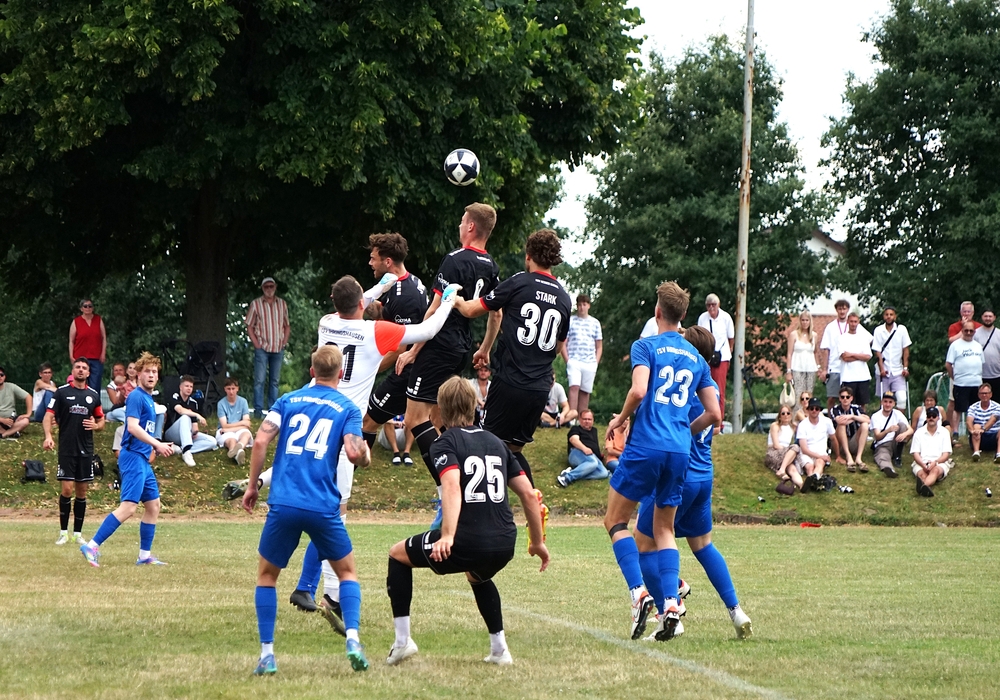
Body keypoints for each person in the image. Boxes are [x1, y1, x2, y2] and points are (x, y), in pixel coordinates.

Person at [283, 274, 461, 623]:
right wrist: (449, 300)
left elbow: (355, 301)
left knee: (329, 509)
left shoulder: (326, 323)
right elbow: (426, 330)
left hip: (317, 417)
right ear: (362, 304)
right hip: (343, 429)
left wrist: (379, 287)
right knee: (335, 513)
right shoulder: (374, 331)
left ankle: (307, 587)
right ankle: (329, 594)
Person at [383, 376, 549, 666]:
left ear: (440, 410)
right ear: (474, 407)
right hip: (504, 543)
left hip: (468, 540)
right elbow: (528, 494)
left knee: (397, 555)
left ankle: (402, 642)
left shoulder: (445, 442)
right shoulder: (497, 443)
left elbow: (451, 486)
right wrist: (537, 542)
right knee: (478, 575)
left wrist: (447, 535)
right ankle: (500, 650)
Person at [241, 345, 372, 675]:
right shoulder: (347, 407)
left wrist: (253, 485)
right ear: (341, 374)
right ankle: (353, 639)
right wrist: (366, 455)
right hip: (322, 504)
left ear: (312, 372)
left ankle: (267, 655)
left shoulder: (288, 400)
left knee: (267, 577)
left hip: (284, 501)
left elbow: (260, 441)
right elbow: (354, 453)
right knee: (347, 573)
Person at [602, 281, 719, 641]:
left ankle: (639, 593)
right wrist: (685, 430)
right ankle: (671, 603)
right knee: (664, 530)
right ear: (683, 316)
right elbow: (714, 413)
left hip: (647, 445)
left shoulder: (646, 346)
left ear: (657, 313)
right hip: (680, 451)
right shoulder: (696, 357)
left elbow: (639, 390)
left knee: (615, 520)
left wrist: (620, 419)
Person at [633, 324, 752, 640]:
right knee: (703, 545)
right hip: (704, 475)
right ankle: (736, 611)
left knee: (644, 543)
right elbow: (715, 421)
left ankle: (669, 612)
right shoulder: (710, 386)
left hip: (680, 475)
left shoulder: (686, 386)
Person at [396, 203, 500, 514]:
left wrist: (414, 349)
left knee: (415, 420)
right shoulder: (491, 266)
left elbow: (434, 309)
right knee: (442, 421)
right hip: (463, 347)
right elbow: (496, 314)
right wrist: (485, 348)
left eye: (461, 221)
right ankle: (460, 484)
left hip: (439, 344)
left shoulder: (454, 260)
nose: (459, 226)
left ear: (471, 227)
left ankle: (449, 490)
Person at [453, 228, 572, 494]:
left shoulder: (520, 282)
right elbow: (557, 347)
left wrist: (456, 300)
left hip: (510, 382)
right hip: (539, 389)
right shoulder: (564, 298)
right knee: (513, 451)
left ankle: (480, 511)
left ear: (528, 256)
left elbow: (473, 310)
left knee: (485, 447)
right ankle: (534, 504)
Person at [79, 352, 176, 568]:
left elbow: (144, 429)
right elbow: (132, 427)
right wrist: (157, 444)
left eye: (154, 372)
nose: (151, 375)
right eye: (147, 371)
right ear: (138, 374)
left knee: (153, 505)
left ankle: (144, 556)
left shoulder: (149, 399)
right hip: (132, 457)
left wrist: (155, 445)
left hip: (142, 459)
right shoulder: (136, 397)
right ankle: (92, 546)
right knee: (129, 507)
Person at [362, 232, 428, 467]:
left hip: (409, 369)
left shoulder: (405, 296)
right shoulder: (403, 283)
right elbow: (386, 313)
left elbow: (401, 348)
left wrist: (369, 370)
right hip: (412, 367)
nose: (370, 263)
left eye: (373, 258)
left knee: (369, 421)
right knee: (420, 422)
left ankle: (347, 473)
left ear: (387, 261)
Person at [43, 358, 106, 545]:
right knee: (67, 489)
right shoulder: (61, 393)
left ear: (88, 373)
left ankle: (77, 534)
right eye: (77, 367)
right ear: (73, 371)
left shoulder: (93, 395)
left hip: (86, 450)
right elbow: (48, 415)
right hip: (67, 449)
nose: (80, 370)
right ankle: (63, 533)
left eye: (84, 368)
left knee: (82, 492)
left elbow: (101, 420)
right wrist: (48, 436)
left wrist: (96, 426)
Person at [245, 277, 291, 418]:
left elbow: (287, 325)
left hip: (278, 347)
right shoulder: (256, 304)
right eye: (266, 287)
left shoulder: (282, 304)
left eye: (271, 286)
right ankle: (258, 412)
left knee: (275, 381)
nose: (269, 289)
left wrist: (284, 342)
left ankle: (272, 411)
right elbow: (249, 326)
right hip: (262, 347)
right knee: (259, 381)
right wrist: (256, 343)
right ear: (262, 288)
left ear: (275, 287)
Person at [561, 293, 603, 418]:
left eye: (584, 304)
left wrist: (596, 362)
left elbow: (599, 345)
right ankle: (572, 416)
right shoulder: (571, 321)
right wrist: (567, 360)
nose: (581, 307)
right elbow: (563, 342)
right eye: (579, 305)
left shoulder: (595, 323)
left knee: (585, 390)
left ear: (588, 306)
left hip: (589, 361)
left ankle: (582, 418)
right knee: (574, 386)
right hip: (574, 359)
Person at [162, 375, 218, 466]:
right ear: (181, 387)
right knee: (185, 417)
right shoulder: (175, 397)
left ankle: (182, 449)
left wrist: (194, 432)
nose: (189, 388)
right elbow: (180, 410)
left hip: (186, 434)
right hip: (171, 433)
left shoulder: (193, 402)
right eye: (186, 386)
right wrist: (197, 415)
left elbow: (194, 426)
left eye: (191, 387)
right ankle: (187, 452)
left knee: (212, 441)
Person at [946, 320, 984, 445]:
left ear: (974, 332)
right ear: (962, 331)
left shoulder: (978, 346)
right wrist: (954, 377)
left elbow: (981, 362)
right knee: (958, 408)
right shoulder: (955, 345)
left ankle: (973, 432)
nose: (968, 333)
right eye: (966, 330)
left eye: (971, 331)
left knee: (975, 409)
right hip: (961, 383)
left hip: (976, 383)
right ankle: (955, 432)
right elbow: (948, 364)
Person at [697, 293, 734, 416]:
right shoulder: (703, 318)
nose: (711, 308)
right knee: (705, 387)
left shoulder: (726, 318)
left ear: (718, 305)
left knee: (719, 389)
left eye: (713, 305)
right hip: (706, 356)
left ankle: (719, 419)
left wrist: (728, 351)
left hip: (721, 356)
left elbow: (731, 338)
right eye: (708, 305)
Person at [871, 306, 912, 410]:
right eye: (887, 314)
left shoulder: (901, 329)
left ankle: (899, 419)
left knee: (902, 399)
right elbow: (877, 351)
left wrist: (905, 368)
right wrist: (881, 369)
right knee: (885, 402)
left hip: (898, 371)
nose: (889, 317)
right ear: (883, 316)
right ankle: (886, 420)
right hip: (884, 371)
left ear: (895, 316)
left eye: (891, 314)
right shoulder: (878, 330)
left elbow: (906, 349)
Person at [555, 410, 608, 487]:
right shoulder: (576, 428)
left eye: (589, 419)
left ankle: (571, 473)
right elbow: (573, 440)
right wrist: (584, 448)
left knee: (603, 473)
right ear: (580, 420)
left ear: (593, 420)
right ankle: (566, 478)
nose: (587, 421)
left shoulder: (594, 431)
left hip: (591, 456)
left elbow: (594, 446)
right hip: (577, 452)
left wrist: (600, 456)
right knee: (593, 463)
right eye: (584, 419)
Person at [909, 406, 953, 497]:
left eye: (934, 416)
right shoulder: (918, 432)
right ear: (926, 418)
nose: (931, 418)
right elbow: (915, 453)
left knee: (935, 471)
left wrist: (935, 462)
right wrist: (923, 464)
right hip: (921, 462)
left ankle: (923, 486)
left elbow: (946, 454)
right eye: (929, 416)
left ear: (938, 418)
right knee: (921, 474)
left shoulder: (945, 432)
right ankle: (925, 488)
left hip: (939, 462)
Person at [795, 398, 836, 492]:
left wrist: (838, 455)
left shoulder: (827, 421)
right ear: (808, 410)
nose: (814, 410)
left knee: (819, 463)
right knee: (809, 467)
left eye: (817, 408)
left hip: (821, 452)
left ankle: (814, 479)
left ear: (820, 410)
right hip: (807, 452)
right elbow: (804, 449)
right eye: (812, 408)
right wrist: (821, 456)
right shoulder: (802, 425)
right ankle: (813, 480)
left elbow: (834, 439)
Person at [870, 391, 912, 478]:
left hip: (895, 442)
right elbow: (877, 437)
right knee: (882, 456)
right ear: (881, 402)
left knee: (902, 425)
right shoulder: (875, 416)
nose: (887, 404)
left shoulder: (898, 413)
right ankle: (889, 469)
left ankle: (898, 456)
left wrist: (904, 434)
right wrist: (887, 431)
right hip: (883, 444)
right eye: (885, 401)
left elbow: (911, 430)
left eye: (890, 402)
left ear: (894, 404)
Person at [68, 298, 107, 393]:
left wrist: (103, 353)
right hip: (80, 357)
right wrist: (71, 356)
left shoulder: (98, 320)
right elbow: (71, 341)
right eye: (85, 306)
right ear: (81, 308)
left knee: (95, 384)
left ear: (93, 308)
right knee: (79, 382)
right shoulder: (76, 322)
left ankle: (94, 401)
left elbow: (104, 338)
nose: (88, 308)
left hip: (96, 358)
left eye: (90, 306)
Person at [819, 299, 851, 412]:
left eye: (844, 309)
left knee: (848, 397)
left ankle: (848, 419)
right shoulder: (830, 327)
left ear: (848, 310)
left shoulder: (852, 325)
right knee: (832, 397)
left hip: (849, 367)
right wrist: (825, 369)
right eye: (840, 309)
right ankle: (831, 419)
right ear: (836, 310)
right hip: (834, 367)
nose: (842, 311)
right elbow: (826, 349)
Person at [830, 386, 871, 472]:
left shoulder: (856, 408)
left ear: (851, 398)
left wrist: (852, 416)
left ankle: (858, 458)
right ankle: (848, 457)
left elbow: (868, 420)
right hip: (840, 444)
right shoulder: (835, 409)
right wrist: (856, 418)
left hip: (853, 441)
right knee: (841, 425)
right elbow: (839, 421)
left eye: (847, 397)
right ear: (839, 399)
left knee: (864, 425)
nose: (845, 399)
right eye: (842, 397)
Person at [839, 312, 874, 411]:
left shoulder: (863, 338)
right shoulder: (842, 338)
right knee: (847, 403)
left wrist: (851, 354)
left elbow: (867, 356)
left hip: (862, 376)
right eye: (851, 321)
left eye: (855, 322)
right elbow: (844, 357)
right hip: (848, 376)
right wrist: (860, 356)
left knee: (862, 404)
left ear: (858, 322)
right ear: (847, 322)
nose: (853, 324)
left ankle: (862, 419)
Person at [216, 377, 253, 465]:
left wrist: (229, 428)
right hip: (227, 430)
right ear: (225, 389)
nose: (231, 391)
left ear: (237, 389)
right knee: (231, 440)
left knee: (246, 435)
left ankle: (238, 448)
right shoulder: (221, 404)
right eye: (228, 389)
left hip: (233, 429)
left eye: (233, 388)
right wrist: (242, 423)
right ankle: (236, 452)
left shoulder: (243, 401)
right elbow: (224, 425)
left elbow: (247, 423)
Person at [785, 310, 820, 399]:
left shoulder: (814, 335)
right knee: (798, 393)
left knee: (809, 394)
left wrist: (818, 367)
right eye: (803, 320)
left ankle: (808, 408)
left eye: (807, 320)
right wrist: (788, 371)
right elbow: (789, 354)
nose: (805, 322)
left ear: (810, 321)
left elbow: (815, 352)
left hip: (810, 368)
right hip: (797, 368)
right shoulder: (793, 335)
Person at [767, 406, 800, 493]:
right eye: (783, 413)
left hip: (784, 455)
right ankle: (782, 470)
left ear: (791, 415)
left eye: (788, 413)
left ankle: (801, 485)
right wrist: (788, 451)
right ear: (779, 416)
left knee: (793, 469)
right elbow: (776, 445)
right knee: (795, 447)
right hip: (774, 453)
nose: (786, 415)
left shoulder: (792, 427)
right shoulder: (775, 426)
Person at [966, 383, 1000, 462]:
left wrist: (983, 429)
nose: (984, 395)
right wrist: (972, 430)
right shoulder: (973, 407)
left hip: (994, 436)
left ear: (990, 394)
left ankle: (999, 454)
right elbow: (969, 420)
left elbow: (993, 420)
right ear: (978, 395)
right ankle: (976, 452)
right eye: (982, 393)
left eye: (986, 393)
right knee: (976, 426)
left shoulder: (997, 406)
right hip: (979, 436)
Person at [0, 366, 32, 439]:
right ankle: (12, 432)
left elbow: (28, 397)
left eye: (1, 375)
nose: (0, 377)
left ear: (4, 377)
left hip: (12, 420)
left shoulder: (11, 386)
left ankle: (4, 434)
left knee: (25, 421)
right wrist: (2, 420)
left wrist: (28, 414)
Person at [974, 309, 1000, 398]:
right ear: (982, 317)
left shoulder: (999, 334)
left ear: (994, 318)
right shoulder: (975, 334)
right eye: (985, 316)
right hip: (980, 375)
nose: (988, 318)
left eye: (990, 316)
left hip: (997, 374)